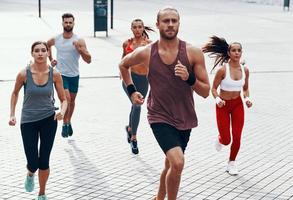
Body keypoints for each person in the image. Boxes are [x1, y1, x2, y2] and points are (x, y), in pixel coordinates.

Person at [119, 7, 210, 200]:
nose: (170, 24)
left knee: (170, 164)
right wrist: (132, 91)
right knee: (178, 163)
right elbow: (123, 65)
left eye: (174, 21)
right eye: (166, 21)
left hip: (185, 116)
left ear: (178, 24)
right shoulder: (146, 52)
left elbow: (205, 92)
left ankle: (159, 197)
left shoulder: (193, 53)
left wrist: (189, 78)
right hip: (159, 115)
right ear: (158, 23)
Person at [9, 41, 67, 200]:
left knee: (44, 161)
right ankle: (30, 173)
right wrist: (12, 114)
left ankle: (42, 193)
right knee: (33, 162)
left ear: (48, 53)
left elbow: (64, 99)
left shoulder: (55, 74)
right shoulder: (23, 74)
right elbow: (14, 93)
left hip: (49, 119)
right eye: (37, 51)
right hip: (28, 121)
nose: (40, 53)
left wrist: (62, 112)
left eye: (43, 50)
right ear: (32, 53)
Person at [202, 36, 253, 175]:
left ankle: (232, 162)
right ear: (229, 53)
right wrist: (217, 99)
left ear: (241, 52)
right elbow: (213, 89)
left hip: (237, 105)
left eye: (239, 50)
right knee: (226, 140)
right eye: (234, 50)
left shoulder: (245, 70)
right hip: (222, 106)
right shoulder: (222, 70)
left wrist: (247, 98)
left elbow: (245, 88)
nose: (237, 53)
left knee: (237, 136)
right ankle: (220, 139)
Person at [47, 13, 91, 138]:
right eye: (65, 22)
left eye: (70, 22)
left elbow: (89, 60)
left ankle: (68, 121)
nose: (68, 24)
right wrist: (51, 59)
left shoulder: (78, 40)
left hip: (74, 75)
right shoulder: (57, 39)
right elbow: (46, 44)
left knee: (72, 102)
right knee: (66, 99)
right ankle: (65, 123)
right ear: (62, 23)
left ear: (73, 23)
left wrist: (80, 49)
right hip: (61, 74)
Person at [122, 18, 154, 154]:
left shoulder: (149, 44)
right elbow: (123, 60)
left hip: (143, 80)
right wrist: (122, 74)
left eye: (140, 27)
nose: (137, 30)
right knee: (137, 105)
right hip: (129, 80)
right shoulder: (127, 43)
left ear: (143, 28)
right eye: (134, 27)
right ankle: (134, 138)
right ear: (131, 29)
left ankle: (130, 128)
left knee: (136, 105)